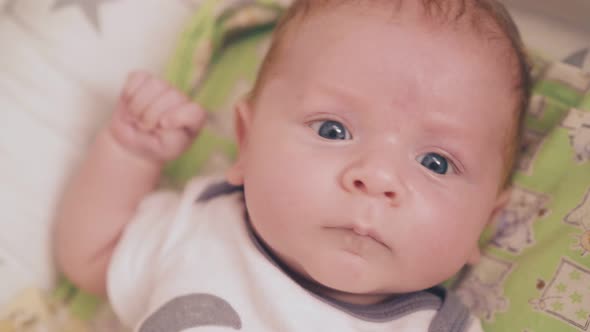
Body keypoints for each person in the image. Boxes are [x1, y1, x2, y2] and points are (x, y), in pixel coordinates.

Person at [54, 0, 531, 330]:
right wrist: (130, 154)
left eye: (436, 162)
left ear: (483, 223)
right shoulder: (205, 228)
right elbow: (90, 257)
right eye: (332, 130)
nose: (377, 177)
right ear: (246, 143)